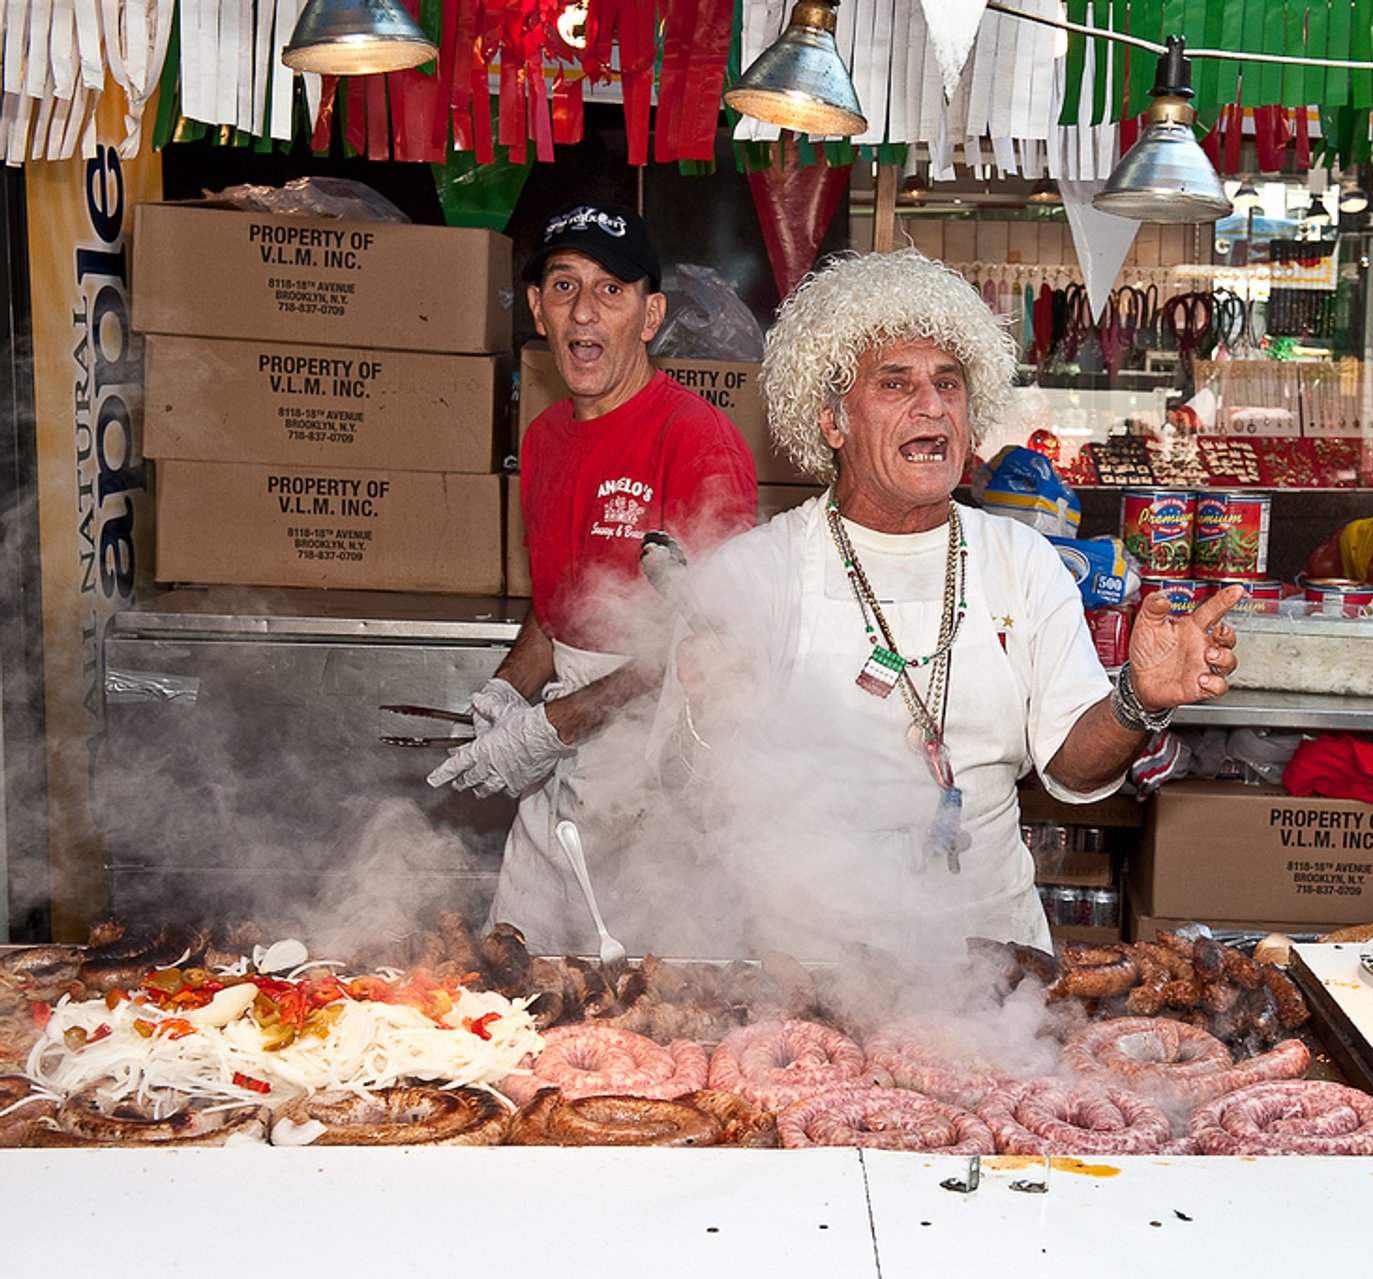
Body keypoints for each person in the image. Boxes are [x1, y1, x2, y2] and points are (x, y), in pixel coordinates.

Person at [663, 250, 1238, 960]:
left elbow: (1076, 771)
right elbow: (686, 798)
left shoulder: (1023, 561)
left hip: (993, 961)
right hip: (811, 960)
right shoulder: (759, 570)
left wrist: (1138, 699)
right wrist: (706, 713)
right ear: (832, 421)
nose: (931, 406)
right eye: (895, 383)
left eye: (948, 383)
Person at [429, 201, 758, 954]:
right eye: (564, 285)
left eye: (612, 290)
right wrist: (508, 690)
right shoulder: (544, 439)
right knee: (513, 993)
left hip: (658, 783)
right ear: (539, 310)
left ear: (650, 316)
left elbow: (708, 644)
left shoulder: (697, 439)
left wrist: (553, 724)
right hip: (560, 783)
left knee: (645, 1018)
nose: (585, 310)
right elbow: (558, 607)